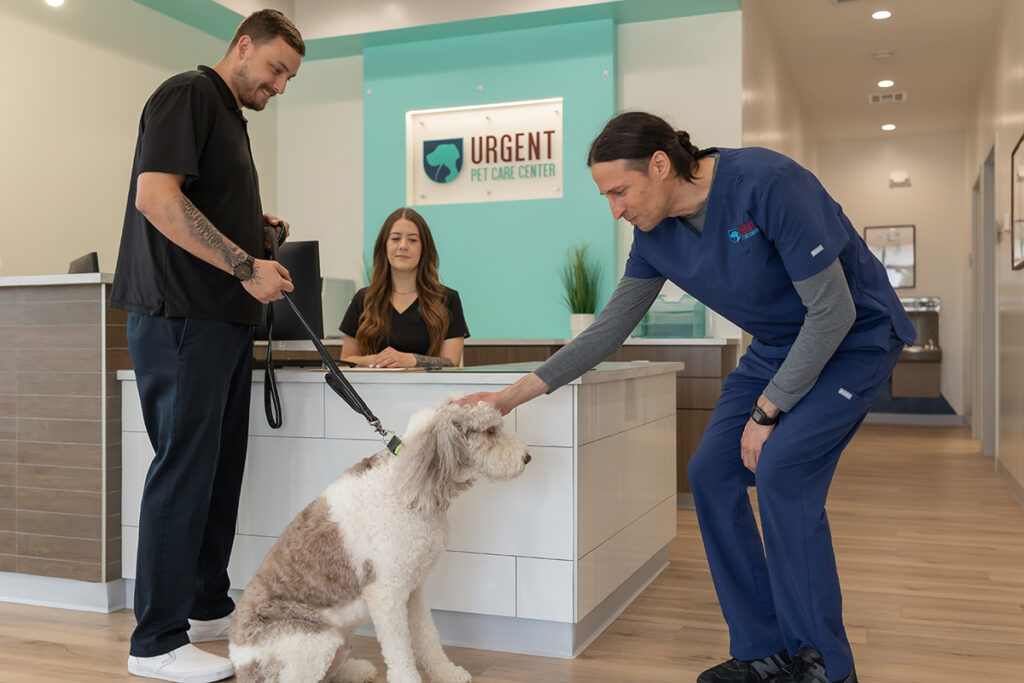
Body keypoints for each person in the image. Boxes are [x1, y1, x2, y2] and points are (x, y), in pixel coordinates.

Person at [459, 112, 915, 683]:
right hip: (779, 347)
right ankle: (763, 650)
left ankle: (823, 662)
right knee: (710, 472)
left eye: (620, 191)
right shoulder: (653, 237)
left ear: (659, 165)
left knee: (782, 470)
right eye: (606, 196)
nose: (615, 208)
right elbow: (608, 330)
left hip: (854, 338)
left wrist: (766, 411)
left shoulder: (769, 183)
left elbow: (833, 311)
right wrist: (507, 398)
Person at [108, 10, 304, 682]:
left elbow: (196, 201)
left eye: (289, 78)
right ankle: (155, 641)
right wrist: (247, 264)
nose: (280, 85)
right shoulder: (188, 94)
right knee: (184, 468)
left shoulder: (228, 117)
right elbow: (157, 199)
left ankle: (204, 605)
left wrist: (254, 223)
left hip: (219, 324)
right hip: (182, 321)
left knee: (218, 471)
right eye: (276, 68)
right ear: (242, 45)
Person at [340, 207, 469, 368]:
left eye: (413, 240)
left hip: (430, 392)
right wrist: (379, 360)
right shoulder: (364, 299)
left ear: (423, 249)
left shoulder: (448, 299)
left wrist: (413, 360)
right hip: (372, 392)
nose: (403, 246)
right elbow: (345, 360)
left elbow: (451, 362)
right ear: (384, 246)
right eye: (395, 238)